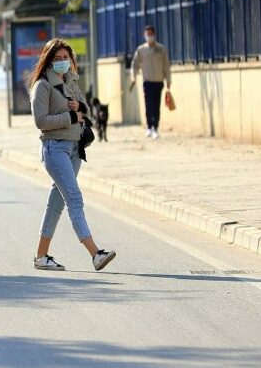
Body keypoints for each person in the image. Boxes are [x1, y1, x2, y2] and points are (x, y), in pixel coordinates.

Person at [29, 38, 117, 272]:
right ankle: (95, 253)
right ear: (48, 61)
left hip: (74, 148)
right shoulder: (42, 86)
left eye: (65, 58)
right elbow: (40, 121)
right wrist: (69, 118)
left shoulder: (71, 80)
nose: (62, 62)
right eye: (56, 59)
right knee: (74, 199)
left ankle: (41, 256)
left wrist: (79, 108)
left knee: (55, 203)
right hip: (54, 148)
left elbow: (86, 107)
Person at [130, 25, 171, 140]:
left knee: (156, 105)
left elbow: (166, 65)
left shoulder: (161, 49)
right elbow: (135, 64)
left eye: (151, 34)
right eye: (148, 34)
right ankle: (149, 127)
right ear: (145, 35)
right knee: (148, 104)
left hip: (158, 81)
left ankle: (155, 128)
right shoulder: (141, 50)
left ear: (155, 34)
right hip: (147, 82)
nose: (150, 36)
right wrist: (133, 78)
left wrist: (168, 80)